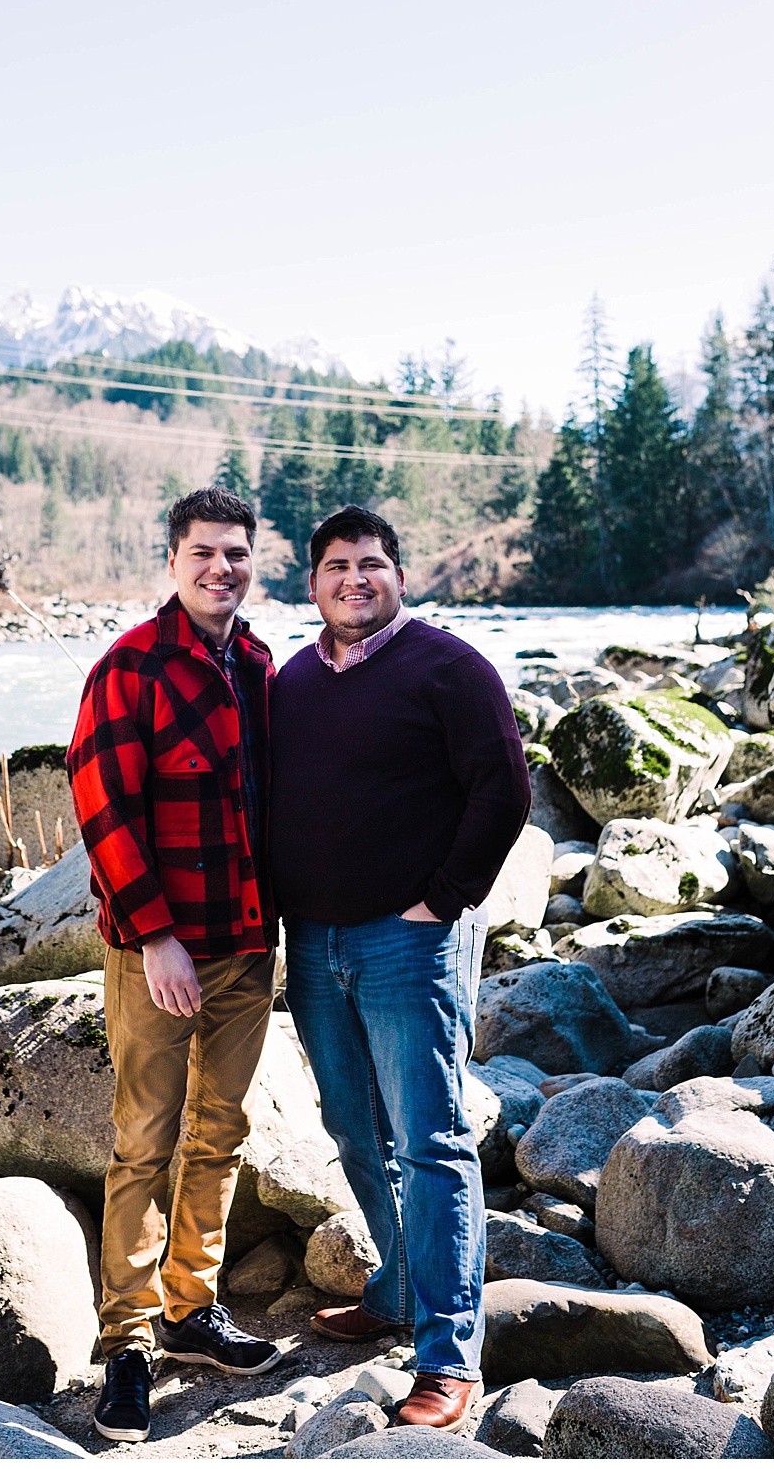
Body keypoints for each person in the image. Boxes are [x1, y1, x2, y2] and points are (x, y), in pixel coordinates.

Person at [270, 505, 530, 1433]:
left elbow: (505, 786)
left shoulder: (450, 668)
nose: (354, 579)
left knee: (432, 1139)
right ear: (313, 585)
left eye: (371, 564)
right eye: (336, 566)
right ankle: (398, 1287)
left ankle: (449, 1357)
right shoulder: (292, 682)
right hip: (316, 942)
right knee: (350, 1126)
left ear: (398, 576)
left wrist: (442, 899)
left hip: (407, 942)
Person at [67, 486, 282, 1445]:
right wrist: (156, 937)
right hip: (160, 949)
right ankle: (129, 1344)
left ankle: (195, 1312)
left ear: (251, 561)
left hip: (246, 941)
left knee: (222, 1132)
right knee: (142, 1140)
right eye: (202, 552)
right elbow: (101, 808)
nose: (219, 567)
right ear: (172, 560)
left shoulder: (261, 666)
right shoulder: (129, 668)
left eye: (235, 553)